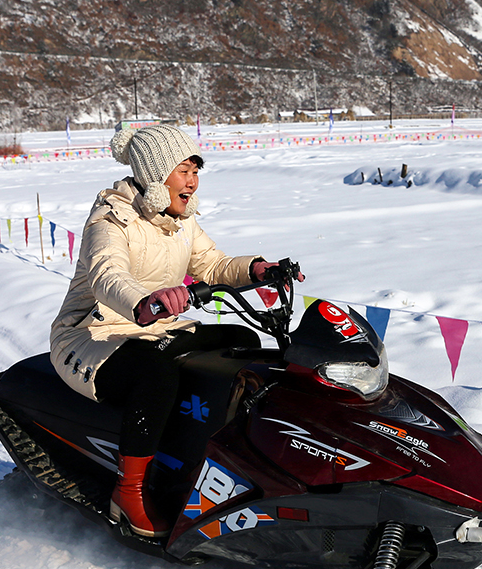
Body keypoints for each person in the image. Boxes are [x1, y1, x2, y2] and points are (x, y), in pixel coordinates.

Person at [49, 124, 299, 539]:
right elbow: (106, 277)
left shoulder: (178, 220)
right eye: (184, 170)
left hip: (154, 328)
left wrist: (257, 269)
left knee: (241, 344)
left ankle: (218, 459)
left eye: (196, 170)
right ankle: (128, 493)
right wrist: (144, 302)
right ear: (155, 175)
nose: (193, 181)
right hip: (93, 336)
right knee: (155, 373)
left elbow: (213, 265)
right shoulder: (110, 220)